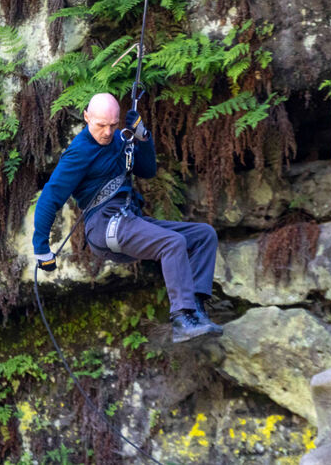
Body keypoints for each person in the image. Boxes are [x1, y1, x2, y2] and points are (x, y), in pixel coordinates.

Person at [33, 92, 223, 343]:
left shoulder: (119, 141)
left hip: (129, 219)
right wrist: (41, 247)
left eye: (113, 125)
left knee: (203, 235)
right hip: (104, 225)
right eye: (100, 125)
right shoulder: (78, 153)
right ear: (86, 117)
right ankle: (182, 319)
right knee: (172, 243)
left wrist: (142, 136)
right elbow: (51, 196)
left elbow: (147, 170)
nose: (107, 132)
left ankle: (196, 311)